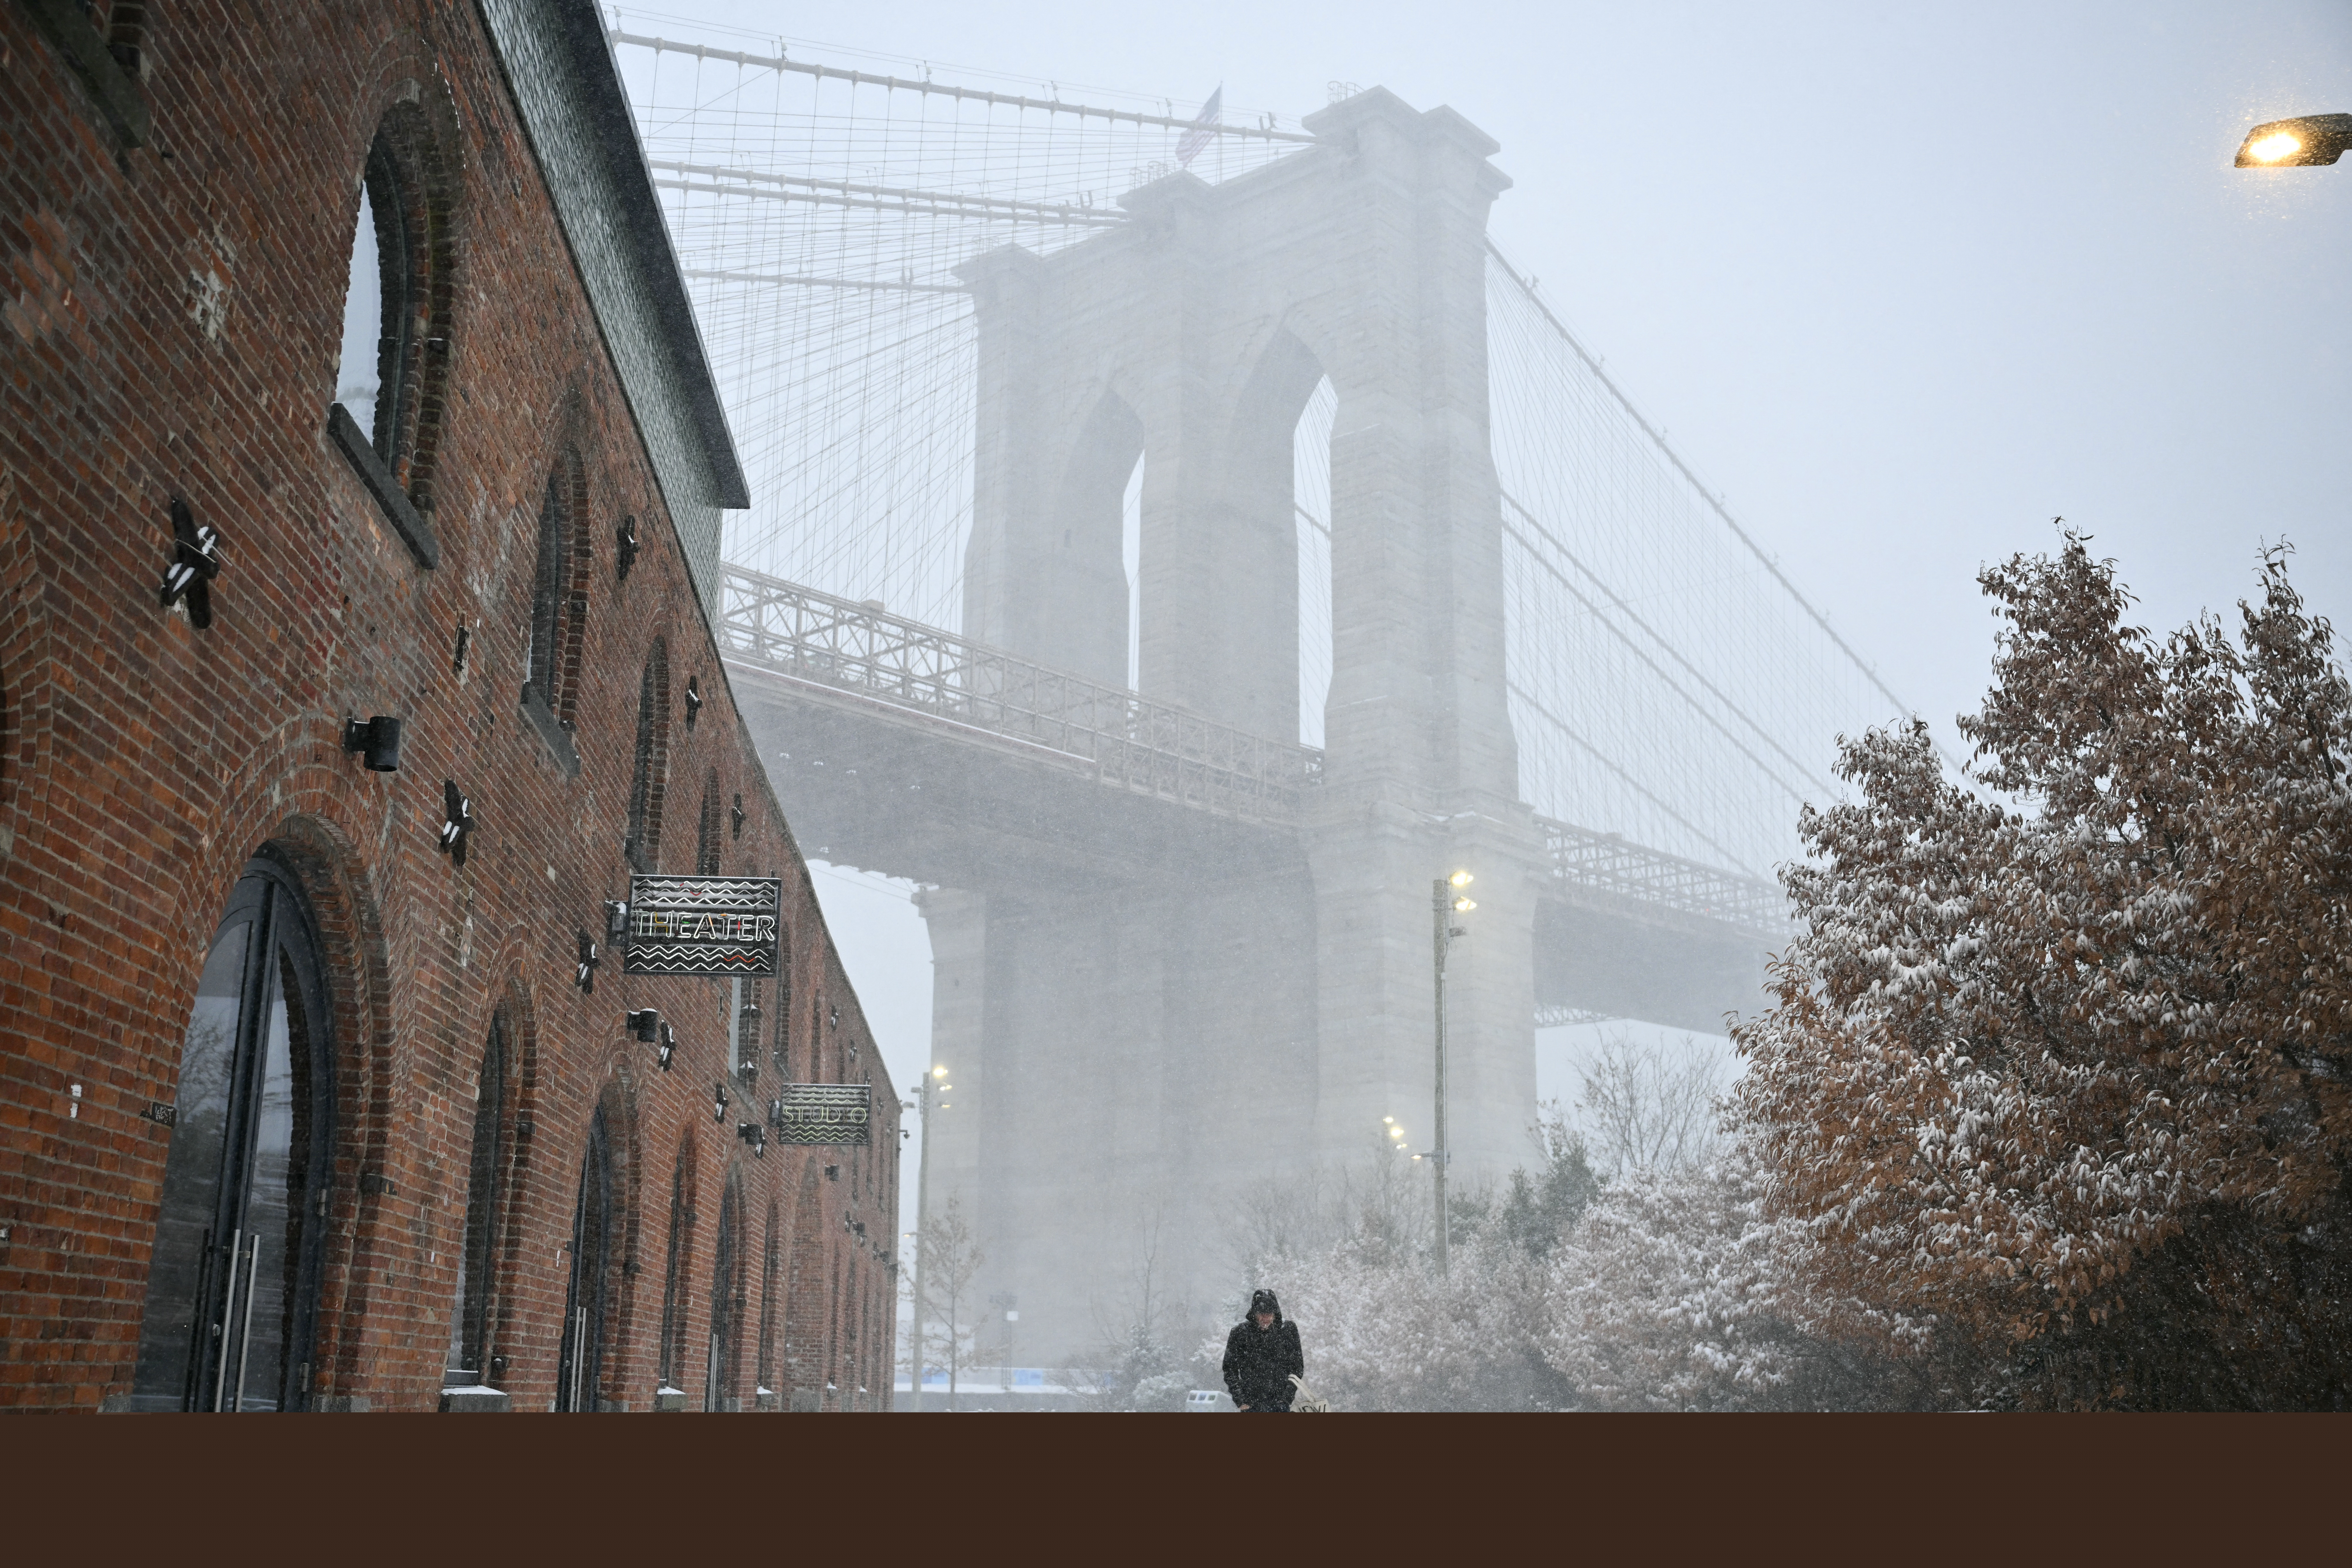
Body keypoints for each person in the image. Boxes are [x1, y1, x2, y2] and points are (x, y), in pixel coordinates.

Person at [1222, 1288, 1304, 1412]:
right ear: (1254, 1313)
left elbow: (1297, 1368)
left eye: (1270, 1314)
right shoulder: (1240, 1333)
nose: (1265, 1318)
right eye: (1261, 1314)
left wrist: (1286, 1400)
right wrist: (1241, 1402)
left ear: (1275, 1313)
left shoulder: (1288, 1330)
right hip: (1251, 1404)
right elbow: (1230, 1370)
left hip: (1280, 1404)